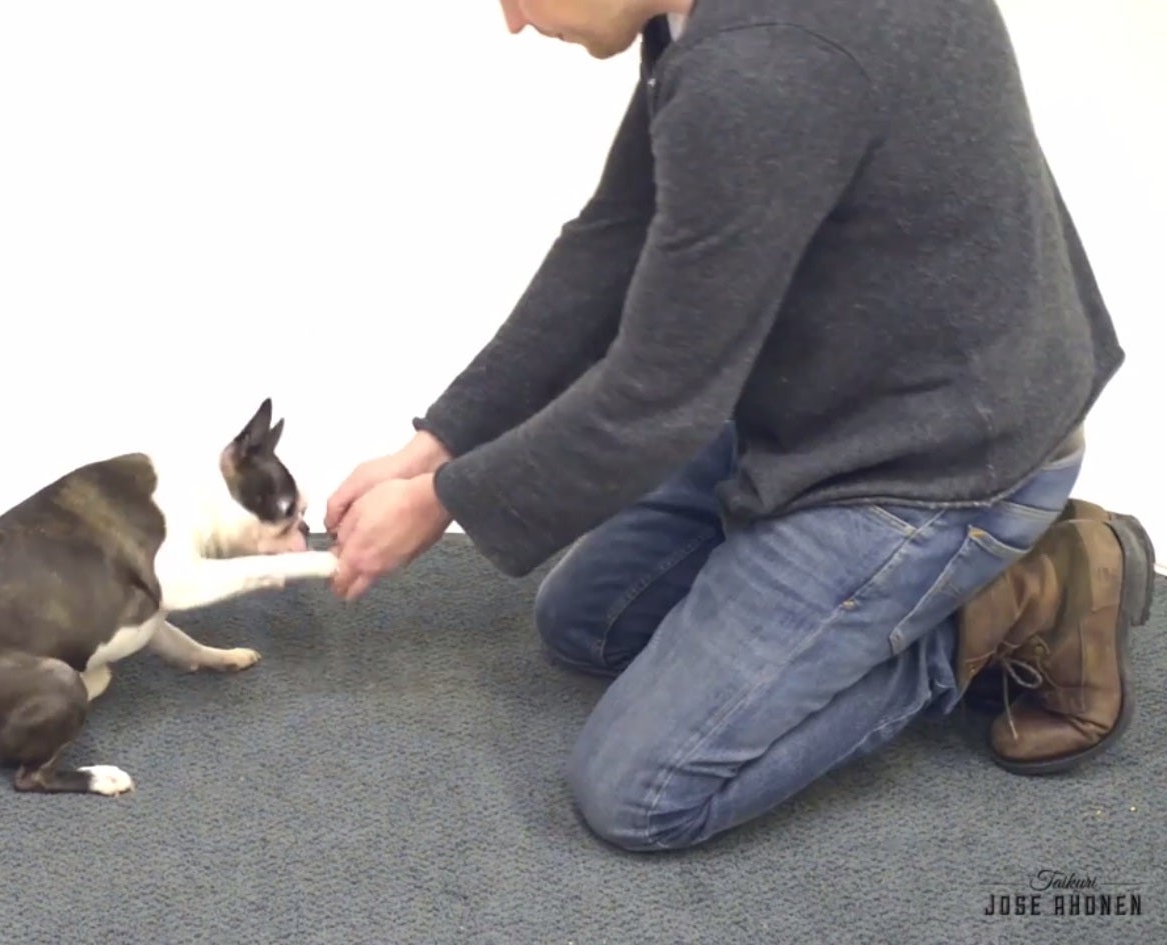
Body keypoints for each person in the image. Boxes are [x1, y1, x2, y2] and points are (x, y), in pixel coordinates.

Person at [322, 0, 1156, 852]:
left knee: (635, 791)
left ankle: (1004, 606)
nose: (511, 21)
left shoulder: (757, 68)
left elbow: (654, 401)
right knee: (585, 623)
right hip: (841, 396)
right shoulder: (698, 21)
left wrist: (440, 500)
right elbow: (615, 237)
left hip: (942, 465)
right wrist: (434, 445)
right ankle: (833, 599)